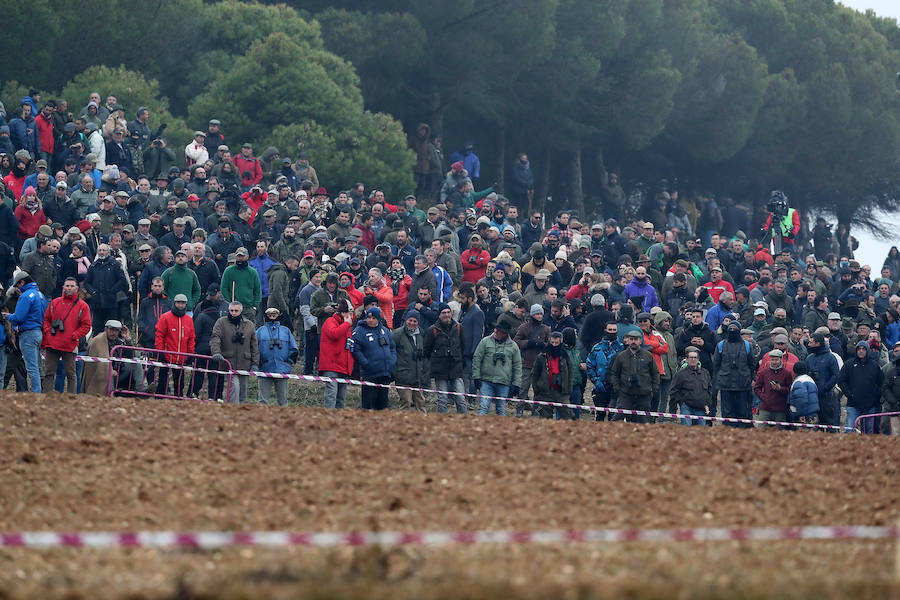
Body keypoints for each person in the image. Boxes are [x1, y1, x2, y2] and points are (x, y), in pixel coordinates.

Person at [41, 277, 91, 393]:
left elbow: (86, 326)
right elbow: (46, 320)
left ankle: (71, 398)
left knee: (71, 374)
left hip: (70, 344)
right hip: (52, 343)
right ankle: (46, 397)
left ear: (77, 288)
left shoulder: (83, 306)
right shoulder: (55, 302)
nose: (69, 288)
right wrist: (48, 331)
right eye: (67, 286)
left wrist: (74, 335)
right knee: (49, 372)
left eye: (72, 286)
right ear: (63, 287)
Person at [210, 301, 259, 404]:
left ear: (241, 311)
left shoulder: (249, 325)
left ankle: (240, 409)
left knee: (243, 389)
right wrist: (216, 352)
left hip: (245, 362)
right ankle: (233, 408)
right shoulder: (221, 322)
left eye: (236, 311)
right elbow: (215, 338)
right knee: (234, 387)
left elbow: (254, 345)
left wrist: (255, 363)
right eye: (231, 310)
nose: (233, 313)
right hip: (229, 363)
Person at [6, 271, 47, 392]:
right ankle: (37, 392)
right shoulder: (40, 295)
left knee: (32, 368)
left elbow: (18, 318)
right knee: (36, 367)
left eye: (17, 285)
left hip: (28, 334)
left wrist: (8, 316)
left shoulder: (25, 296)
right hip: (38, 332)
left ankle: (36, 394)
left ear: (22, 282)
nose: (17, 288)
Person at [608, 329, 659, 423]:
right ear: (627, 341)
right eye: (631, 339)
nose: (633, 341)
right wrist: (617, 389)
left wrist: (653, 389)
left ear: (640, 341)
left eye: (636, 339)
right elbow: (614, 373)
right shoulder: (621, 356)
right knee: (617, 419)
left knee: (644, 421)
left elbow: (655, 373)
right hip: (625, 394)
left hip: (644, 394)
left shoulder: (648, 355)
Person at [472, 319, 522, 416]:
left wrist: (517, 384)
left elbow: (518, 366)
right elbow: (477, 359)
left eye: (498, 330)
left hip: (504, 383)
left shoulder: (514, 346)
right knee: (483, 407)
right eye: (496, 329)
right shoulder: (485, 341)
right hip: (486, 381)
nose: (495, 331)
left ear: (504, 334)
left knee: (501, 410)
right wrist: (476, 377)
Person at [351, 306, 396, 410]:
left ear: (378, 319)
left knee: (382, 406)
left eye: (373, 318)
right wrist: (366, 364)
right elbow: (356, 350)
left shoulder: (385, 331)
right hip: (369, 374)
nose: (370, 320)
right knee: (369, 406)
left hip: (384, 373)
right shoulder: (359, 331)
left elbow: (392, 347)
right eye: (369, 317)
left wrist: (392, 361)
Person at [424, 302, 466, 413]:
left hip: (456, 368)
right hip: (440, 369)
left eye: (448, 312)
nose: (446, 315)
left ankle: (465, 420)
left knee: (460, 398)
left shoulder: (459, 328)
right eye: (443, 313)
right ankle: (442, 421)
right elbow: (427, 350)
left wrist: (461, 362)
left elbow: (463, 347)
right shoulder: (432, 330)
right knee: (442, 399)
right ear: (439, 315)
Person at [714, 321, 756, 427]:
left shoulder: (747, 345)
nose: (732, 331)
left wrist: (748, 378)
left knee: (743, 413)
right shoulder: (721, 345)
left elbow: (751, 364)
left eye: (735, 329)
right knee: (727, 414)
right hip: (726, 385)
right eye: (730, 329)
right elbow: (716, 365)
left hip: (743, 385)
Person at [82, 320, 141, 396]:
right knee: (108, 370)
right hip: (104, 375)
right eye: (111, 329)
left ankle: (141, 391)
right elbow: (101, 364)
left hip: (119, 372)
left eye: (116, 330)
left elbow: (130, 356)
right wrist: (111, 370)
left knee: (136, 362)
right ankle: (110, 393)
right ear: (106, 329)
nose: (114, 332)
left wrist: (127, 339)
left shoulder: (119, 342)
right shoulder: (98, 341)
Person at [154, 293, 196, 398]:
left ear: (186, 304)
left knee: (179, 384)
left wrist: (190, 354)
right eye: (178, 303)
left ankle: (178, 400)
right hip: (167, 355)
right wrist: (161, 351)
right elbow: (159, 335)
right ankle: (158, 400)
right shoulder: (165, 317)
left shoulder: (189, 320)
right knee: (162, 382)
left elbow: (191, 338)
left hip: (181, 357)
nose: (180, 305)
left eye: (183, 303)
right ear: (174, 303)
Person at [838, 340, 883, 433]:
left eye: (863, 349)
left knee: (868, 431)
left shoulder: (874, 365)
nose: (861, 351)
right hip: (853, 404)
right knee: (850, 429)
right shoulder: (849, 364)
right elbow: (841, 381)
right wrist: (849, 394)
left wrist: (874, 396)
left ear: (867, 351)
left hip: (870, 405)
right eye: (859, 349)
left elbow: (881, 383)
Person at [256, 307, 298, 406]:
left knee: (283, 401)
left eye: (274, 315)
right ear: (266, 316)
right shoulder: (260, 331)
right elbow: (254, 348)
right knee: (262, 401)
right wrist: (258, 362)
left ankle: (283, 416)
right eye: (269, 315)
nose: (272, 317)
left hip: (282, 370)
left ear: (278, 316)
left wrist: (288, 363)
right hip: (264, 369)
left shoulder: (286, 331)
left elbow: (293, 348)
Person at [392, 309, 430, 412]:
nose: (412, 323)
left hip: (417, 376)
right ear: (406, 320)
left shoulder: (421, 334)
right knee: (406, 402)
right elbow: (391, 350)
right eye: (410, 320)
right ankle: (403, 421)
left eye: (415, 321)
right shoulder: (397, 334)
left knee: (421, 403)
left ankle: (423, 421)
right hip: (403, 376)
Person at [319, 299, 354, 409]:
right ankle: (329, 417)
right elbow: (334, 334)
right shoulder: (330, 321)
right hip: (331, 365)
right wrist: (346, 324)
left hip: (343, 367)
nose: (352, 316)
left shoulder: (347, 326)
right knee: (331, 396)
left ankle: (339, 418)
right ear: (343, 313)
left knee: (341, 399)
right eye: (350, 313)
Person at [531, 331, 574, 419]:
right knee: (545, 419)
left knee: (568, 417)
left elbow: (570, 374)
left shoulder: (565, 356)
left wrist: (568, 390)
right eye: (552, 342)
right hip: (545, 392)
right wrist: (537, 390)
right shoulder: (541, 356)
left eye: (556, 343)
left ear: (560, 342)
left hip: (561, 392)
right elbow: (534, 374)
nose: (554, 345)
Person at [586, 320, 623, 422]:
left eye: (614, 330)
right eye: (610, 330)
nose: (612, 332)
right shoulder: (597, 348)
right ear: (605, 330)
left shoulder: (622, 348)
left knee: (614, 417)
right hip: (600, 387)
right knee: (600, 415)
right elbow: (589, 365)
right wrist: (595, 380)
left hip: (615, 388)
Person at [669, 347, 713, 426]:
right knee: (686, 431)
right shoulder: (680, 374)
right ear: (686, 359)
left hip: (701, 408)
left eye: (695, 357)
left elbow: (709, 390)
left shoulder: (705, 373)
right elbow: (674, 391)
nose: (693, 359)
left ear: (698, 359)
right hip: (686, 407)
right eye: (691, 357)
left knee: (700, 431)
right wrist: (682, 402)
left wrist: (707, 403)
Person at [753, 349, 794, 427]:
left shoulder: (787, 374)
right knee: (761, 431)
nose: (774, 362)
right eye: (772, 360)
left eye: (776, 360)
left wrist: (780, 389)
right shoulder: (764, 373)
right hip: (765, 408)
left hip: (780, 410)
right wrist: (764, 397)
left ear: (781, 359)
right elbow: (756, 388)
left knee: (779, 432)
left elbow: (790, 390)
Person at [220, 246, 262, 321]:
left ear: (247, 257)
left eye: (242, 256)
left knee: (249, 327)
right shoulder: (229, 271)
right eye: (238, 256)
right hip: (233, 308)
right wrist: (229, 303)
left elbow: (257, 290)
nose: (240, 258)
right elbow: (224, 288)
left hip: (248, 308)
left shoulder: (253, 272)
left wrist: (255, 306)